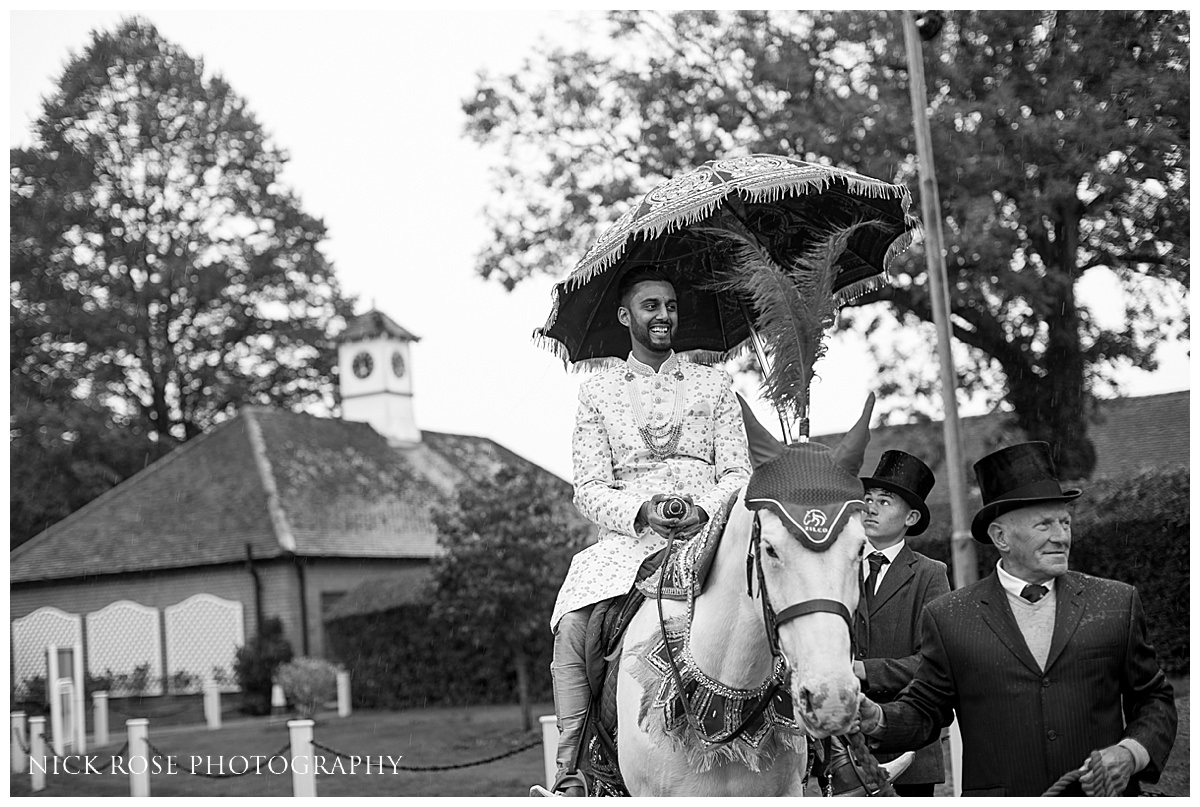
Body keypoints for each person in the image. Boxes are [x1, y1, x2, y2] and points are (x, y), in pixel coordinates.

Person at [856, 441, 1177, 797]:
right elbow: (924, 711)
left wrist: (1131, 753)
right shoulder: (950, 617)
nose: (1061, 537)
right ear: (1001, 537)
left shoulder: (1117, 602)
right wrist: (878, 718)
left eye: (1065, 523)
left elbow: (1154, 699)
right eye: (1044, 525)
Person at [546, 267, 752, 795]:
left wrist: (703, 510)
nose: (664, 316)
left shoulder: (715, 383)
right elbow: (588, 487)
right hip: (627, 545)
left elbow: (738, 473)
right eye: (651, 306)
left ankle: (832, 751)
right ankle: (572, 772)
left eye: (671, 306)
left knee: (784, 589)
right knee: (573, 625)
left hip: (712, 532)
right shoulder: (597, 392)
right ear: (625, 316)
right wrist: (643, 511)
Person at [851, 450, 950, 796]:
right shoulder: (837, 566)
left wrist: (866, 670)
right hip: (841, 750)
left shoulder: (930, 574)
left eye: (884, 501)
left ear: (910, 518)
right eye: (867, 499)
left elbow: (935, 663)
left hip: (910, 754)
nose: (870, 508)